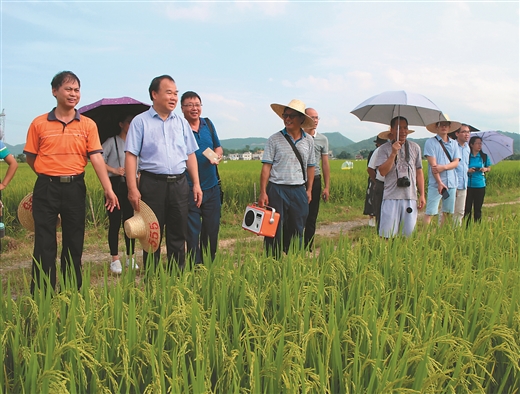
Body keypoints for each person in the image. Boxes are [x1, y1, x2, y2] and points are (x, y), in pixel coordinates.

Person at [23, 71, 119, 294]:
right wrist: (45, 172)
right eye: (68, 89)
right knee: (44, 242)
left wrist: (108, 188)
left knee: (74, 241)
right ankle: (42, 293)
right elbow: (30, 156)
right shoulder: (39, 123)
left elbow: (95, 157)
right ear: (54, 91)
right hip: (46, 188)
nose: (73, 94)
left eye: (76, 90)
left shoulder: (87, 125)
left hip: (75, 187)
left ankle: (70, 291)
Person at [125, 75, 202, 272]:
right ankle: (152, 282)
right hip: (152, 184)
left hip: (179, 184)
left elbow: (190, 154)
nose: (174, 97)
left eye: (176, 93)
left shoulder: (181, 123)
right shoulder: (140, 122)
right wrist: (132, 188)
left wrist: (196, 183)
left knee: (178, 234)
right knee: (152, 235)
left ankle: (177, 281)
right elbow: (131, 156)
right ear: (154, 94)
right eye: (169, 92)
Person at [259, 99, 315, 257]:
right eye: (285, 116)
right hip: (277, 189)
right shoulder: (274, 139)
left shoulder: (309, 141)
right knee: (273, 228)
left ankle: (294, 262)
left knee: (298, 227)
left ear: (301, 119)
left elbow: (311, 166)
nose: (287, 119)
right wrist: (263, 192)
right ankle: (272, 263)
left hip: (299, 190)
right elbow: (266, 167)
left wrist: (309, 189)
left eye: (292, 116)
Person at [180, 91, 223, 265]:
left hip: (212, 187)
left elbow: (218, 147)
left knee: (212, 229)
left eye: (197, 104)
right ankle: (195, 265)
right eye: (189, 105)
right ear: (182, 108)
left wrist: (218, 156)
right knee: (192, 231)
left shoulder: (208, 124)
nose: (194, 108)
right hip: (189, 188)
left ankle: (209, 263)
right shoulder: (179, 128)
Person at [374, 116, 425, 238]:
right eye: (398, 128)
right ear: (391, 130)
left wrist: (422, 194)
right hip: (391, 197)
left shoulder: (415, 147)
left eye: (405, 128)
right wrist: (393, 153)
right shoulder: (384, 149)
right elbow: (382, 172)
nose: (402, 131)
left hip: (410, 196)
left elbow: (419, 171)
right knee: (387, 236)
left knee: (408, 236)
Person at [102, 114, 138, 274]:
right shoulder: (112, 141)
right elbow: (98, 161)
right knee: (115, 222)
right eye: (129, 122)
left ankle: (131, 257)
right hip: (114, 186)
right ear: (121, 124)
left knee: (130, 223)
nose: (131, 125)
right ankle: (115, 259)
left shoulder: (136, 143)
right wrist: (114, 170)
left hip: (130, 187)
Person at [423, 118, 461, 226]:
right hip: (436, 184)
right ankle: (426, 238)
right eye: (441, 125)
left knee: (448, 212)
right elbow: (433, 165)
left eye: (446, 125)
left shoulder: (454, 143)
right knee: (430, 212)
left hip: (451, 182)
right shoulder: (430, 142)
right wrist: (439, 182)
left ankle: (442, 236)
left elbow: (456, 162)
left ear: (449, 128)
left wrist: (444, 167)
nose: (444, 127)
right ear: (437, 127)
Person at [303, 107, 330, 251]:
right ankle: (292, 245)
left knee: (311, 216)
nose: (315, 120)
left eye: (317, 117)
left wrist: (327, 187)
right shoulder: (298, 136)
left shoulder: (322, 139)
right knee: (296, 215)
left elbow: (325, 164)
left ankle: (308, 247)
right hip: (299, 180)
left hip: (316, 180)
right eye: (312, 117)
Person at [465, 136, 492, 223]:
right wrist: (468, 170)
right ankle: (467, 227)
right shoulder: (467, 156)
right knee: (467, 208)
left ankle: (477, 227)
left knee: (478, 208)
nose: (479, 145)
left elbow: (489, 168)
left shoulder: (484, 156)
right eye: (477, 143)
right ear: (471, 144)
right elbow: (461, 168)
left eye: (481, 143)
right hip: (468, 184)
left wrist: (485, 169)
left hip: (480, 185)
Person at [364, 133, 387, 227]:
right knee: (371, 198)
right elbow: (370, 168)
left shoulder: (388, 151)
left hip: (384, 179)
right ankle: (371, 217)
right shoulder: (373, 153)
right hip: (374, 178)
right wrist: (375, 180)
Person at [451, 124, 471, 226]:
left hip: (463, 184)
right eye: (464, 132)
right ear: (457, 133)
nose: (467, 134)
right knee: (448, 211)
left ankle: (456, 233)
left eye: (468, 132)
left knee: (460, 211)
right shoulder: (452, 145)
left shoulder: (467, 147)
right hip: (453, 183)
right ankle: (442, 233)